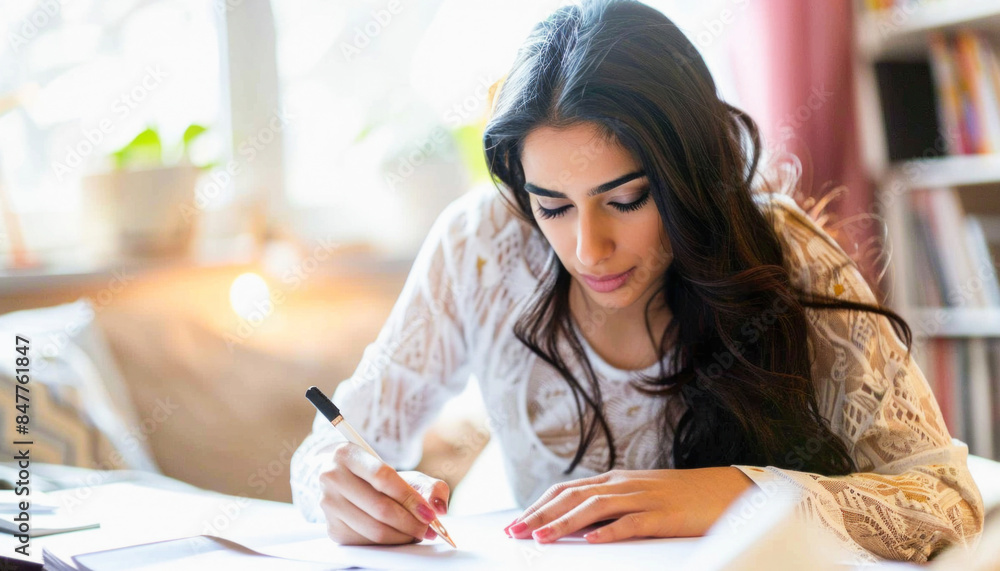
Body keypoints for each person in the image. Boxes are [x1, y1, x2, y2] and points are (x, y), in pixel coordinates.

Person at [289, 0, 984, 562]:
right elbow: (342, 440)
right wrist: (333, 483)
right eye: (552, 206)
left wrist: (735, 492)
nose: (588, 248)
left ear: (692, 179)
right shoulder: (483, 244)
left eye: (626, 200)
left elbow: (947, 500)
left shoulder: (785, 254)